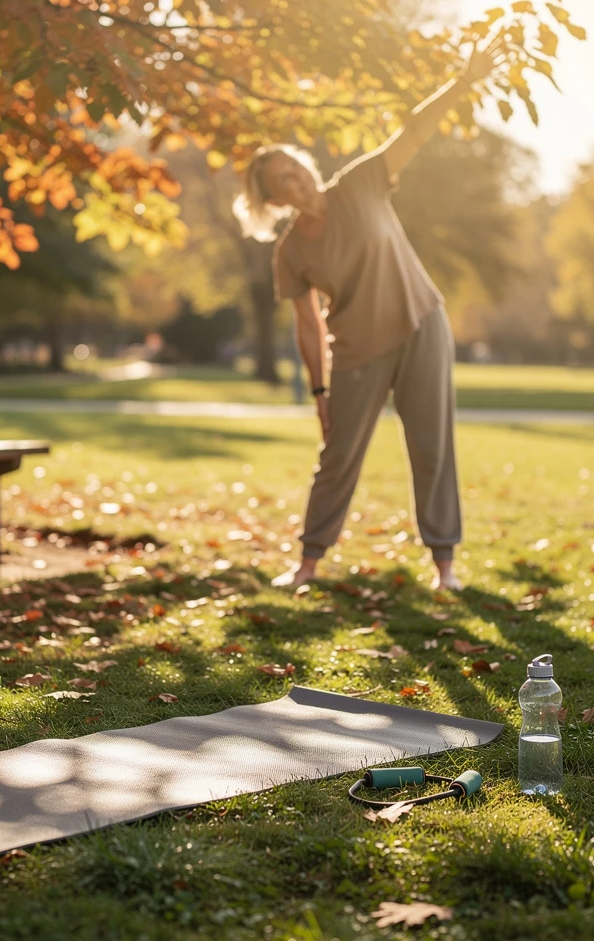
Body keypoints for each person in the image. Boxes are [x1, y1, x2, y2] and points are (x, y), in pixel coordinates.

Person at [233, 37, 505, 592]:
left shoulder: (360, 183)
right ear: (275, 199)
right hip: (358, 350)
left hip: (421, 323)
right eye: (284, 179)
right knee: (337, 456)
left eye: (296, 166)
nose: (299, 178)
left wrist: (463, 81)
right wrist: (319, 391)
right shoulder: (291, 251)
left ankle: (445, 566)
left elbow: (414, 132)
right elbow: (308, 324)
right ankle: (308, 562)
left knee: (431, 445)